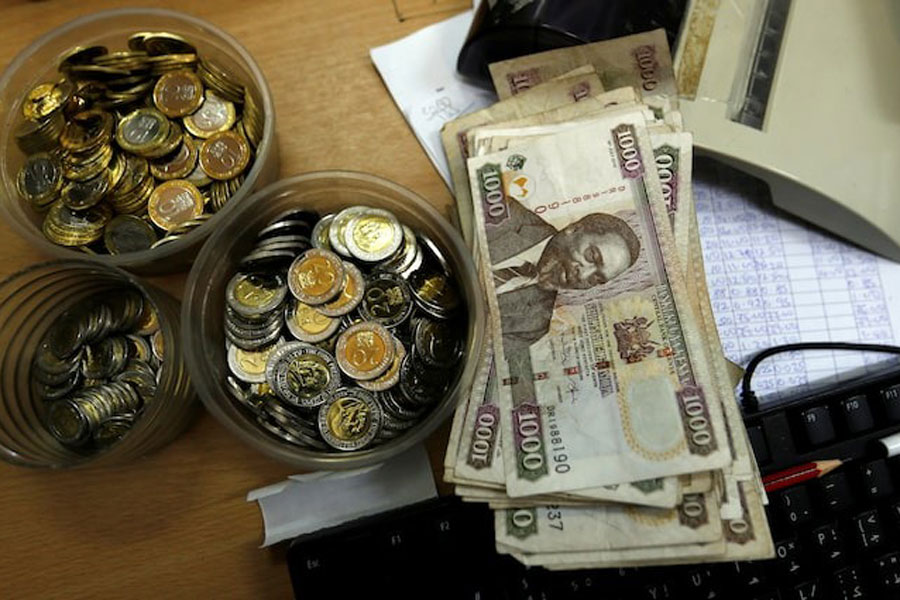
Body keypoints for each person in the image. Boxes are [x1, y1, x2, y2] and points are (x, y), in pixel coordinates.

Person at [488, 197, 642, 349]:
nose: (583, 275)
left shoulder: (533, 326)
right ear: (573, 229)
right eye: (592, 256)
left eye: (597, 278)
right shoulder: (503, 212)